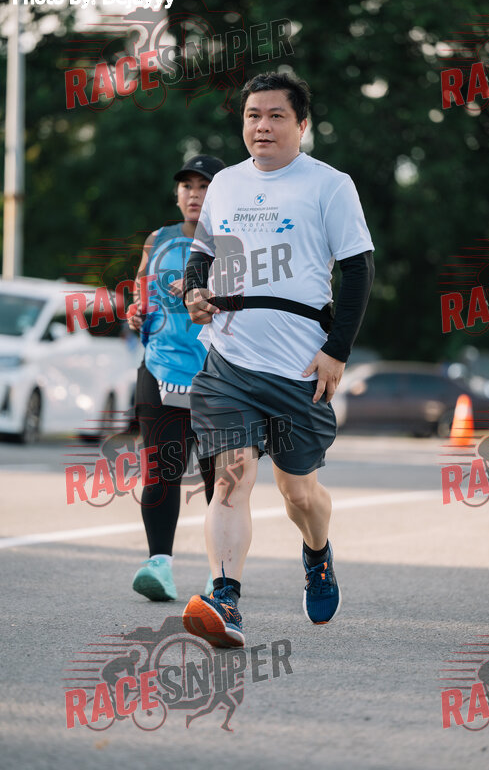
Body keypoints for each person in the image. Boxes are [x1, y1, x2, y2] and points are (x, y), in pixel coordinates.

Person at [181, 72, 374, 648]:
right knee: (230, 481)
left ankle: (317, 553)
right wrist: (193, 292)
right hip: (230, 360)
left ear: (302, 125)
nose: (261, 126)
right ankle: (225, 599)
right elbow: (202, 254)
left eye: (275, 116)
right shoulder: (226, 184)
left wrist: (336, 351)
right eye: (252, 116)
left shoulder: (329, 185)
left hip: (299, 369)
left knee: (299, 495)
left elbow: (359, 271)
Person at [128, 154, 225, 601]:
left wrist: (202, 290)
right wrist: (136, 312)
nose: (194, 194)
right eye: (187, 186)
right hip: (160, 368)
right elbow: (141, 294)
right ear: (177, 193)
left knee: (219, 476)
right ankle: (158, 565)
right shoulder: (159, 240)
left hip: (218, 374)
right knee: (161, 468)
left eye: (204, 186)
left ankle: (221, 572)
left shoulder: (234, 243)